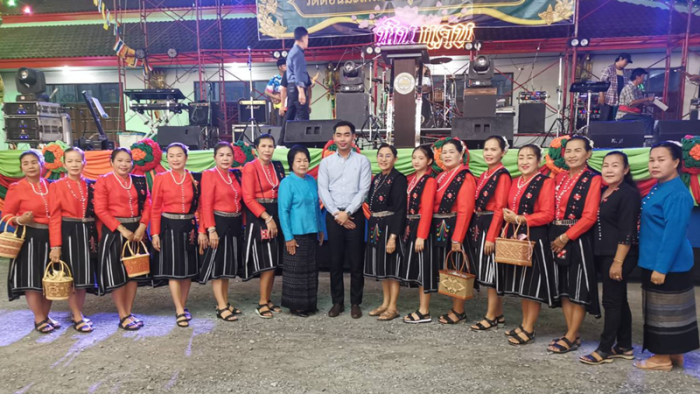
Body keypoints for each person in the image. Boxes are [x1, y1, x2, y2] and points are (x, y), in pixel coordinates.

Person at [634, 141, 699, 371]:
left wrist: (661, 268)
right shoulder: (659, 186)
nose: (655, 164)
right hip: (654, 258)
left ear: (676, 163)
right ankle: (675, 353)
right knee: (674, 312)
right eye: (652, 160)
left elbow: (674, 234)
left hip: (667, 264)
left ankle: (661, 358)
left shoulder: (677, 194)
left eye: (661, 160)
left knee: (662, 312)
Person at [580, 151, 641, 364]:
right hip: (604, 253)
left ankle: (605, 349)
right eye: (606, 165)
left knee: (611, 301)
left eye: (615, 165)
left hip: (619, 255)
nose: (609, 169)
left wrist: (618, 261)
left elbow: (627, 231)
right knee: (619, 300)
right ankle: (624, 346)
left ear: (625, 170)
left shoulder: (628, 194)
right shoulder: (605, 191)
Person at [548, 136, 602, 354]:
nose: (571, 155)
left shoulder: (594, 179)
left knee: (577, 287)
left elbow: (589, 216)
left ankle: (571, 335)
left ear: (588, 154)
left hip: (577, 237)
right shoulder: (559, 178)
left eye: (577, 150)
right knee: (563, 288)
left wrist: (566, 237)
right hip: (556, 234)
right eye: (568, 151)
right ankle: (572, 332)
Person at [500, 145, 556, 346]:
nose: (524, 161)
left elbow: (548, 214)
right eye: (521, 157)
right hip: (518, 238)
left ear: (539, 161)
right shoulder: (515, 182)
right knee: (523, 286)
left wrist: (520, 219)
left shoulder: (546, 182)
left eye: (529, 157)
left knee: (533, 287)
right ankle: (524, 324)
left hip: (536, 238)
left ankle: (530, 329)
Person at [318, 120, 372, 319]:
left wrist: (347, 213)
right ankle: (337, 302)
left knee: (356, 262)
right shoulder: (326, 162)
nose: (343, 139)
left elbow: (363, 190)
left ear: (353, 137)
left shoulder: (362, 161)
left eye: (347, 134)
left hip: (354, 215)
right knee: (335, 262)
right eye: (339, 135)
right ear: (333, 138)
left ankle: (356, 303)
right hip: (333, 216)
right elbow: (323, 190)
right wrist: (336, 214)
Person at [94, 148, 151, 331]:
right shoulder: (103, 181)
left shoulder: (139, 180)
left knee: (133, 272)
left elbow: (148, 203)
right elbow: (100, 210)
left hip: (137, 230)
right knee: (118, 275)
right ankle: (122, 314)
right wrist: (121, 229)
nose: (124, 164)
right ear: (111, 162)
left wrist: (142, 226)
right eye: (120, 160)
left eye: (127, 161)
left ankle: (129, 311)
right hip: (115, 231)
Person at [4, 150, 59, 334]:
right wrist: (20, 220)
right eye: (26, 163)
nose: (30, 166)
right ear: (21, 167)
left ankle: (46, 314)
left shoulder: (51, 186)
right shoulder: (16, 188)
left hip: (50, 237)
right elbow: (6, 216)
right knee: (32, 280)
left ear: (42, 164)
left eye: (34, 162)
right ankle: (38, 318)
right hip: (29, 238)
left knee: (49, 279)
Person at [151, 143, 203, 328]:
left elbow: (200, 206)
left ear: (186, 158)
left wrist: (201, 229)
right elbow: (155, 207)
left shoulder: (193, 178)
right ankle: (179, 308)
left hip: (189, 225)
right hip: (169, 225)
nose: (175, 159)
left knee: (188, 269)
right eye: (171, 156)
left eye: (179, 155)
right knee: (174, 270)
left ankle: (184, 303)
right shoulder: (161, 178)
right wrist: (155, 233)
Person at [48, 148, 98, 333]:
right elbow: (53, 217)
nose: (75, 165)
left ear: (84, 163)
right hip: (68, 231)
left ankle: (78, 311)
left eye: (78, 161)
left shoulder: (91, 185)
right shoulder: (56, 186)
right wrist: (55, 245)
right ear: (64, 164)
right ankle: (77, 316)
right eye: (70, 161)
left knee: (84, 277)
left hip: (88, 232)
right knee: (72, 276)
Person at [198, 142, 244, 322]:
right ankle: (221, 307)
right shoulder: (209, 175)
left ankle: (224, 301)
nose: (225, 158)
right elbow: (206, 204)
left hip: (234, 223)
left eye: (228, 155)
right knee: (217, 268)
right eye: (221, 155)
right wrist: (210, 229)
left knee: (226, 267)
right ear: (214, 157)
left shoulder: (233, 175)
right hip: (218, 223)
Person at [469, 136, 512, 332]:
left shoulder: (502, 175)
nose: (488, 153)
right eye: (486, 149)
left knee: (491, 274)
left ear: (503, 152)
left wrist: (492, 236)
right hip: (480, 223)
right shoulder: (485, 174)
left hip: (491, 226)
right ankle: (498, 313)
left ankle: (490, 316)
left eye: (493, 149)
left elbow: (500, 208)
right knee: (486, 271)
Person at [242, 133, 286, 319]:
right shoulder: (250, 167)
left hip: (276, 213)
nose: (267, 150)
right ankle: (261, 302)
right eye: (264, 146)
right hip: (260, 216)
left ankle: (268, 299)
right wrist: (267, 218)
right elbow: (248, 198)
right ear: (256, 149)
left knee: (274, 261)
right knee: (266, 262)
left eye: (270, 146)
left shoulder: (277, 165)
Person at [278, 145, 325, 317]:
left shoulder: (311, 180)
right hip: (296, 234)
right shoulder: (287, 183)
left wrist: (320, 229)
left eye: (305, 160)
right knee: (296, 271)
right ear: (291, 163)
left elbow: (316, 207)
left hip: (312, 232)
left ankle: (309, 303)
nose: (303, 164)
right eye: (298, 161)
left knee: (311, 270)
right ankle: (296, 305)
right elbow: (283, 212)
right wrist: (288, 237)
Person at [434, 139, 476, 325]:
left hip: (456, 227)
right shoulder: (442, 176)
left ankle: (459, 310)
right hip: (442, 226)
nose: (447, 155)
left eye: (452, 152)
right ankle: (454, 307)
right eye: (445, 152)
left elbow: (466, 209)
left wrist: (458, 237)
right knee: (448, 267)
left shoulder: (464, 177)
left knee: (457, 268)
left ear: (461, 155)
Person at [364, 144, 408, 321]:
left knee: (392, 268)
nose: (383, 159)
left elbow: (400, 209)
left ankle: (393, 307)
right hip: (377, 225)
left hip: (390, 226)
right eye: (380, 155)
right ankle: (385, 303)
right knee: (382, 267)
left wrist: (393, 236)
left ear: (395, 159)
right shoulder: (377, 178)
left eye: (388, 156)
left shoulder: (398, 179)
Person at [399, 145, 437, 324]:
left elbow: (428, 209)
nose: (416, 161)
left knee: (424, 270)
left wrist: (421, 235)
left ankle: (424, 310)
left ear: (429, 161)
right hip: (411, 225)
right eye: (414, 157)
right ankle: (421, 308)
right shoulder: (411, 179)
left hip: (422, 227)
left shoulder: (429, 181)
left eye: (421, 158)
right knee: (417, 268)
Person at [280, 26, 311, 145]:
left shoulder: (292, 51)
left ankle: (280, 143)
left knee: (289, 116)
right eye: (307, 37)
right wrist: (302, 92)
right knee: (303, 115)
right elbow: (298, 73)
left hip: (291, 88)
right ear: (303, 37)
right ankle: (304, 144)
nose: (308, 40)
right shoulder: (298, 52)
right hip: (297, 88)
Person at [616, 68, 655, 135]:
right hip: (624, 114)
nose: (644, 79)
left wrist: (655, 103)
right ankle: (647, 139)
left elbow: (642, 101)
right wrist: (647, 98)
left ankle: (647, 137)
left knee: (650, 118)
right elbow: (632, 102)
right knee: (647, 120)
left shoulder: (637, 89)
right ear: (637, 77)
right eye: (643, 77)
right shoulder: (629, 87)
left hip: (632, 113)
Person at [598, 53, 633, 121]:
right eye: (626, 61)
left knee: (616, 120)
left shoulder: (625, 72)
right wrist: (601, 96)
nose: (626, 64)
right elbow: (601, 83)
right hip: (608, 99)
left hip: (620, 101)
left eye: (628, 62)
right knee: (605, 119)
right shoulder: (609, 69)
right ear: (620, 59)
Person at [265, 58, 287, 127]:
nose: (287, 66)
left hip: (290, 105)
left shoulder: (291, 77)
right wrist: (276, 97)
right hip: (279, 106)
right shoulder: (275, 78)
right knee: (279, 126)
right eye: (285, 65)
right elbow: (266, 91)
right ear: (279, 67)